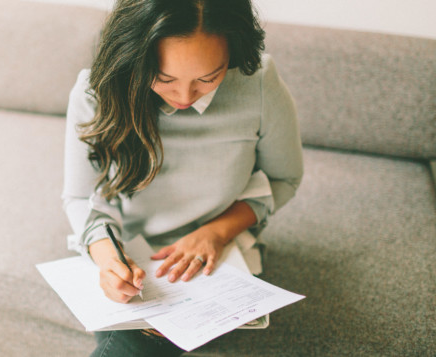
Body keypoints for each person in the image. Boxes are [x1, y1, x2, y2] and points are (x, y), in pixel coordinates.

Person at [62, 0, 303, 355]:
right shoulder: (96, 90)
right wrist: (109, 261)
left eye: (208, 78)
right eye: (164, 78)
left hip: (222, 256)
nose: (184, 97)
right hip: (131, 249)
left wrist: (215, 234)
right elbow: (82, 197)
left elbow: (285, 179)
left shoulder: (258, 82)